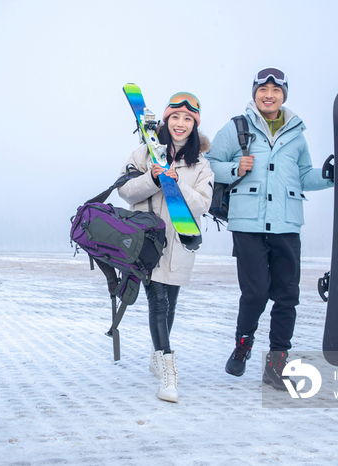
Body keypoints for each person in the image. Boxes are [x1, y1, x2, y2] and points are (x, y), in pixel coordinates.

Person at [205, 68, 334, 390]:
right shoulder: (235, 128)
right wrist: (235, 167)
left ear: (284, 95)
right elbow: (207, 164)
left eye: (276, 90)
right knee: (256, 292)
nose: (269, 95)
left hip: (287, 224)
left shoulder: (296, 134)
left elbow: (303, 175)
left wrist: (331, 175)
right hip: (247, 224)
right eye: (263, 89)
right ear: (255, 94)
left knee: (287, 296)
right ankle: (243, 345)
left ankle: (277, 364)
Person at [117, 92, 213, 403]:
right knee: (158, 301)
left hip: (180, 245)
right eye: (175, 117)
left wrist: (177, 182)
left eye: (188, 119)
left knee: (168, 305)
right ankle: (169, 370)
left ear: (194, 125)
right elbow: (125, 191)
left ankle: (156, 355)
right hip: (146, 243)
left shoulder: (201, 166)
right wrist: (153, 178)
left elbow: (201, 204)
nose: (181, 124)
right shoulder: (144, 154)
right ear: (166, 120)